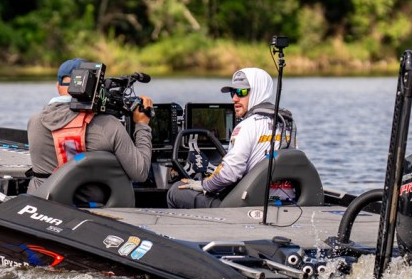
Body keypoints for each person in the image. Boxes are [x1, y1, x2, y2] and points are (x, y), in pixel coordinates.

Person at [26, 58, 153, 204]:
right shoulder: (109, 125)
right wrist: (142, 125)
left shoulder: (34, 121)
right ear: (94, 87)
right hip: (89, 208)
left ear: (58, 86)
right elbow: (140, 173)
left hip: (40, 202)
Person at [166, 67, 295, 209]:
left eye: (242, 92)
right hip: (282, 200)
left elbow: (230, 173)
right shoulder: (287, 123)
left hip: (246, 206)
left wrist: (203, 184)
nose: (235, 98)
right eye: (233, 92)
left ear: (258, 90)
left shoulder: (246, 126)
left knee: (175, 191)